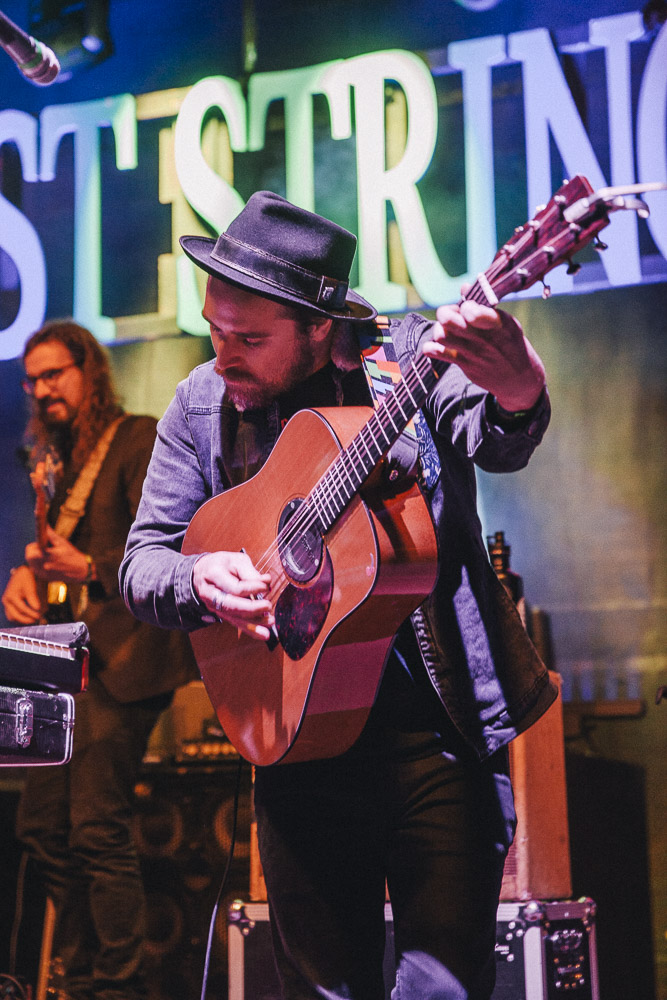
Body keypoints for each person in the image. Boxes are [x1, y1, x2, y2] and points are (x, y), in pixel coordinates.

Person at [120, 191, 557, 1000]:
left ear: (320, 328)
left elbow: (493, 434)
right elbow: (141, 563)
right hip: (296, 745)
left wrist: (519, 388)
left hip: (439, 737)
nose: (223, 356)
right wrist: (196, 578)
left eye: (248, 339)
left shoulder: (410, 362)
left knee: (443, 988)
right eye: (214, 331)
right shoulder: (200, 403)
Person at [1, 320, 198, 1000]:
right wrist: (26, 579)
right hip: (65, 662)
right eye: (31, 380)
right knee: (40, 826)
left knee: (94, 824)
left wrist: (87, 565)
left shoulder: (137, 438)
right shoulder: (54, 458)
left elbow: (170, 543)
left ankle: (120, 986)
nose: (41, 389)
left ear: (90, 371)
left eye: (54, 374)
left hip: (128, 653)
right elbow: (53, 568)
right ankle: (80, 978)